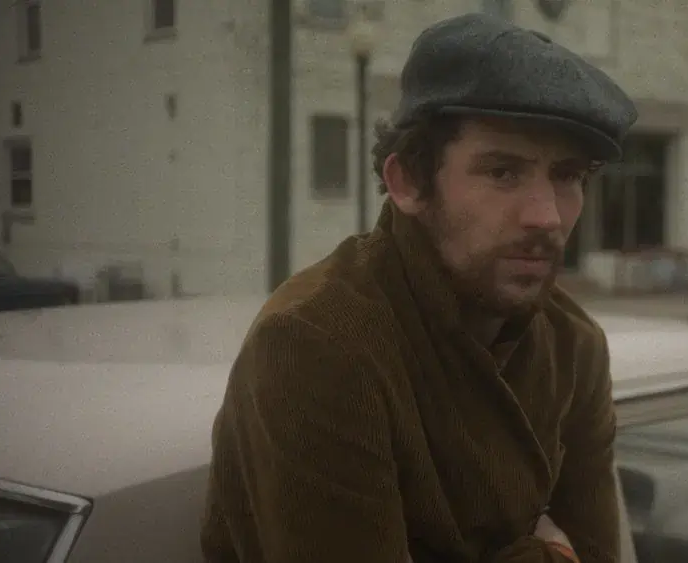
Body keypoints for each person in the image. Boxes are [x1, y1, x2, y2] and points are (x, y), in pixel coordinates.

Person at [200, 12, 637, 563]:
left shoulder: (572, 344)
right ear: (406, 181)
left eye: (568, 176)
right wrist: (550, 554)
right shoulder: (318, 344)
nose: (547, 216)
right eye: (503, 172)